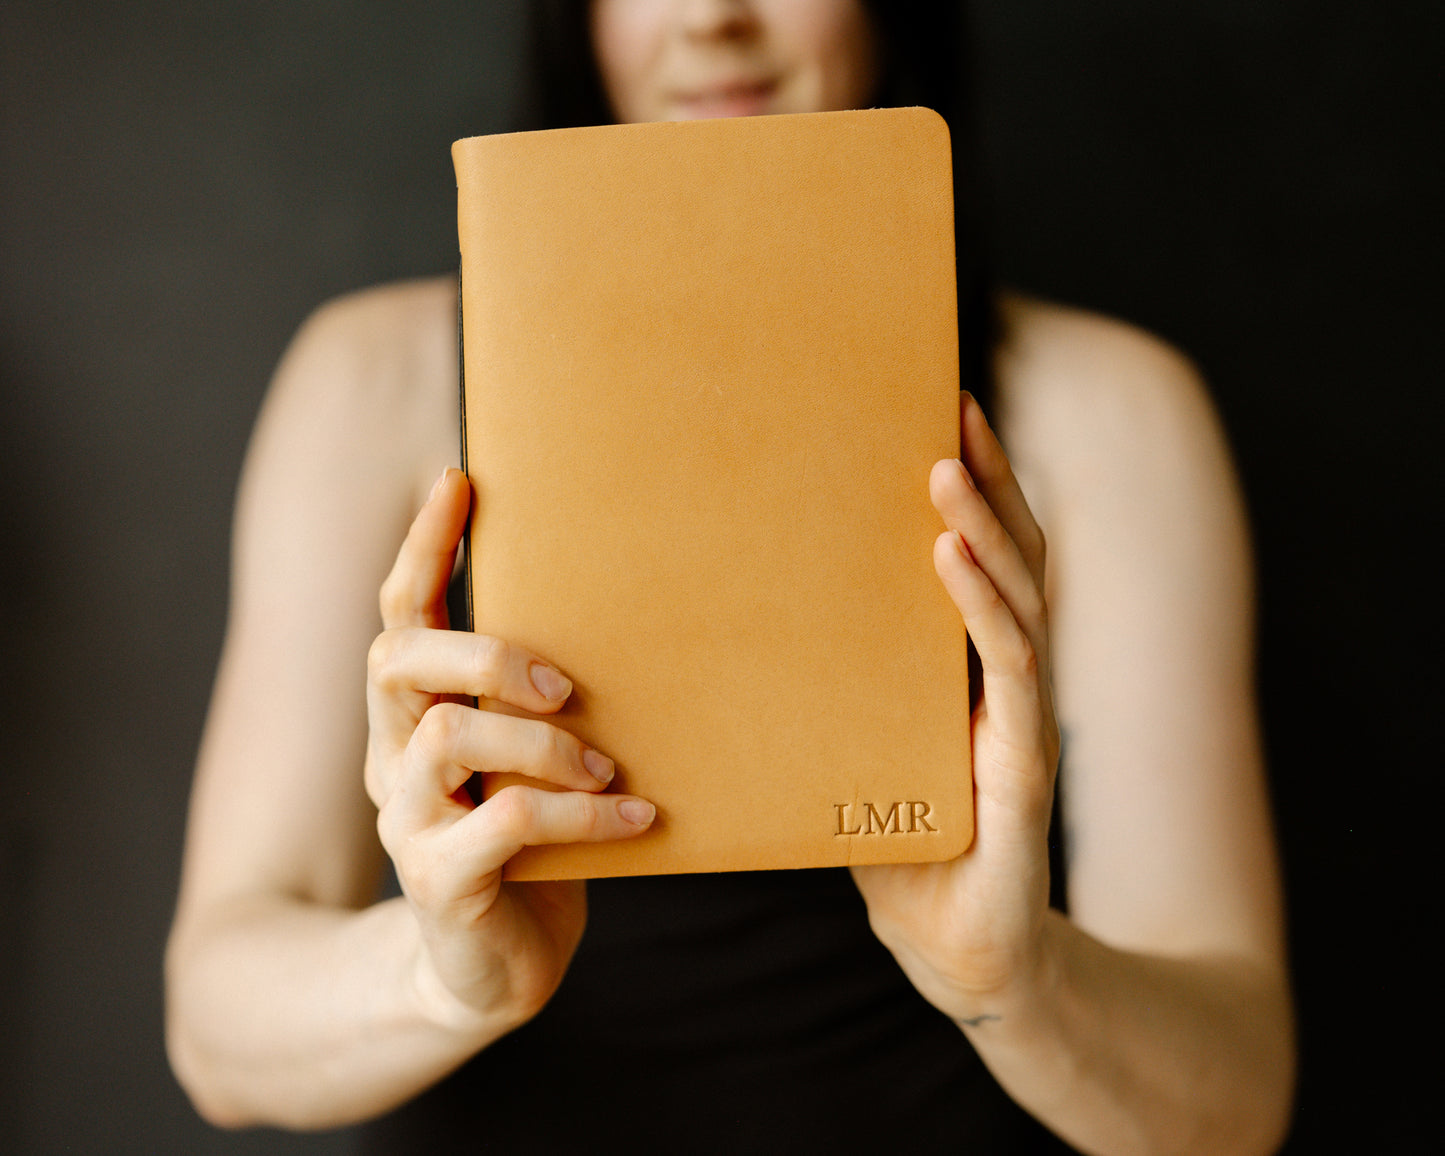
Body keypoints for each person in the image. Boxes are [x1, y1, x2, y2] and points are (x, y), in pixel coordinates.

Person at [165, 2, 1296, 1151]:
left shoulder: (1107, 414)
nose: (713, 18)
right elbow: (215, 1032)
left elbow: (1233, 1101)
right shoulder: (369, 386)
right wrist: (442, 974)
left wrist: (1018, 981)